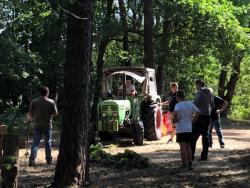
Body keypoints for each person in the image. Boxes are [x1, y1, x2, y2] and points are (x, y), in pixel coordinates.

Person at [27, 86, 58, 166]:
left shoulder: (34, 101)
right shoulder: (51, 102)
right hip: (47, 125)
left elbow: (30, 114)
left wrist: (30, 119)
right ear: (47, 93)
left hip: (37, 125)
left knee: (35, 143)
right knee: (48, 143)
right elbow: (55, 113)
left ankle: (32, 160)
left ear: (40, 92)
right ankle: (49, 160)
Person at [173, 90, 200, 170]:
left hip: (180, 128)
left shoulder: (178, 105)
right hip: (188, 128)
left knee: (182, 147)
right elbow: (198, 112)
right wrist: (194, 120)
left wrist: (177, 119)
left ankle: (184, 164)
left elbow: (175, 112)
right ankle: (190, 163)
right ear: (184, 96)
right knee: (188, 146)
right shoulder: (190, 103)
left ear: (178, 97)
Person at [191, 79, 214, 161]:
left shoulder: (199, 92)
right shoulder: (210, 92)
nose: (195, 87)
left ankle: (191, 156)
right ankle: (204, 156)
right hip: (208, 117)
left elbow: (194, 104)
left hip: (199, 117)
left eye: (196, 85)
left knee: (193, 137)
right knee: (205, 137)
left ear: (199, 85)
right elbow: (212, 105)